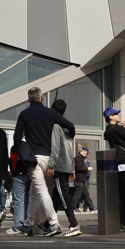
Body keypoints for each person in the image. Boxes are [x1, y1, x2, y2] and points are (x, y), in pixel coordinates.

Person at [12, 87, 72, 237]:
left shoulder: (24, 114)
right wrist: (70, 136)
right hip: (49, 157)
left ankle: (53, 223)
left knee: (41, 191)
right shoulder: (50, 113)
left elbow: (16, 137)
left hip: (34, 159)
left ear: (28, 99)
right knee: (35, 192)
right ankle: (27, 224)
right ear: (42, 98)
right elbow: (70, 125)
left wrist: (21, 152)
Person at [43, 97, 81, 235]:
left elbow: (55, 148)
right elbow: (70, 149)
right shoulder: (67, 128)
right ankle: (48, 223)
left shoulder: (56, 126)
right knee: (56, 196)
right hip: (66, 166)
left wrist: (51, 165)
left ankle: (74, 224)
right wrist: (72, 168)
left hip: (59, 166)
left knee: (63, 195)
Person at [74, 144, 95, 212]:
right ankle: (72, 207)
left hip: (82, 180)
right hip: (79, 179)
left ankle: (91, 207)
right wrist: (87, 169)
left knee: (86, 194)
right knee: (78, 194)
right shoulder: (78, 157)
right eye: (87, 152)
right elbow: (78, 168)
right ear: (84, 151)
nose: (87, 154)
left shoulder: (81, 158)